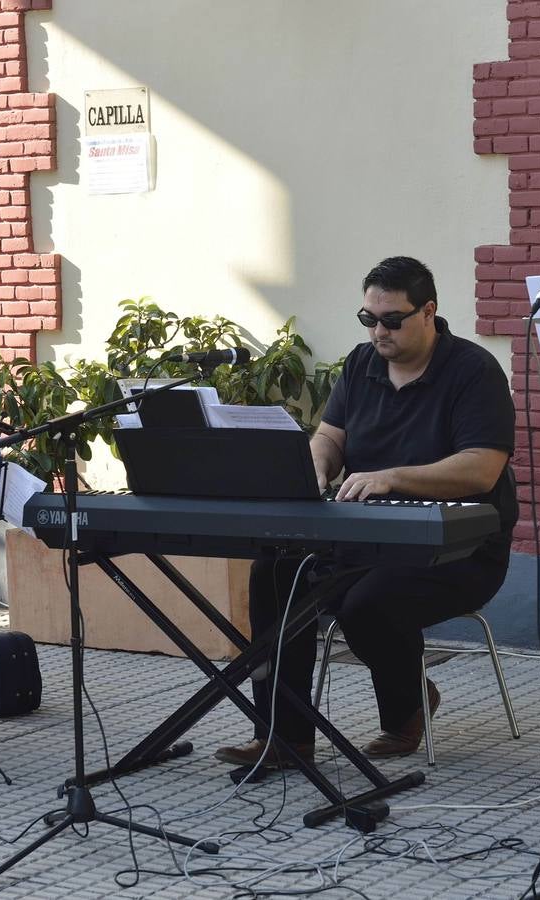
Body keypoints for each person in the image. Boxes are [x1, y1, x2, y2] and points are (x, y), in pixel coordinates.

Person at [214, 256, 518, 765]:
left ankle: (406, 711)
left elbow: (482, 467)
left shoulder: (473, 370)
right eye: (369, 319)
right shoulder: (360, 364)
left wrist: (394, 476)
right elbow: (330, 436)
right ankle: (284, 736)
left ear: (429, 312)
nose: (379, 331)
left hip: (459, 547)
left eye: (392, 320)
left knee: (368, 603)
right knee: (274, 573)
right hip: (364, 536)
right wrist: (313, 467)